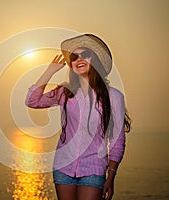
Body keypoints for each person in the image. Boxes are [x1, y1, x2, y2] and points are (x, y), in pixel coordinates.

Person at [25, 34, 131, 200]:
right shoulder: (64, 93)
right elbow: (32, 101)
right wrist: (50, 70)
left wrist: (111, 177)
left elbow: (118, 140)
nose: (79, 59)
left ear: (95, 60)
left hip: (94, 170)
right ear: (71, 65)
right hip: (63, 167)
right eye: (74, 57)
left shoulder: (113, 96)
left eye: (85, 55)